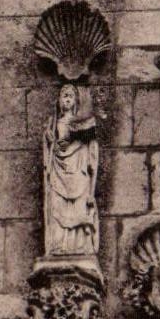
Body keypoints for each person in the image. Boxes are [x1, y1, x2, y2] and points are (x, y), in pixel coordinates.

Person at [43, 83, 100, 259]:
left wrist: (91, 192)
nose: (67, 99)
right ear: (59, 101)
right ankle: (59, 245)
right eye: (64, 96)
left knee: (78, 207)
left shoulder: (83, 124)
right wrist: (50, 142)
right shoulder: (54, 124)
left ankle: (79, 245)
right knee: (57, 205)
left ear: (76, 101)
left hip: (78, 172)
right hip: (58, 170)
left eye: (70, 96)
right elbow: (51, 150)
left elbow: (92, 157)